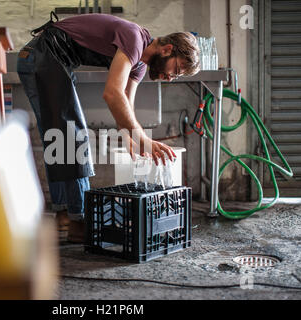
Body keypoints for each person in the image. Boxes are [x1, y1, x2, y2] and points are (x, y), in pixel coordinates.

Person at [17, 13, 200, 242]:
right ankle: (79, 219)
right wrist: (143, 138)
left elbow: (125, 105)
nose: (172, 77)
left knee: (59, 138)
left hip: (46, 60)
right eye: (177, 69)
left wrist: (133, 142)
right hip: (41, 56)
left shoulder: (139, 67)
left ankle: (65, 214)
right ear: (167, 49)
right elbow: (112, 93)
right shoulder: (134, 38)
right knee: (71, 138)